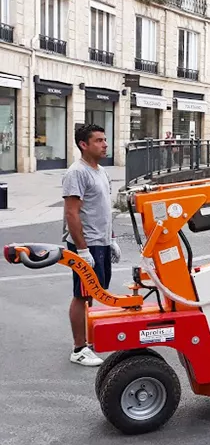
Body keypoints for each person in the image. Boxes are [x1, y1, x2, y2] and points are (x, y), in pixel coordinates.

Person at [61, 124, 121, 366]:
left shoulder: (101, 172)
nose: (105, 144)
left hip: (102, 241)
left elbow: (104, 210)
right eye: (98, 140)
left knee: (94, 293)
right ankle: (78, 348)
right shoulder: (77, 173)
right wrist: (82, 249)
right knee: (81, 295)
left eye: (105, 140)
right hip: (87, 243)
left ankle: (89, 340)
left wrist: (113, 239)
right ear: (83, 145)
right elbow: (72, 213)